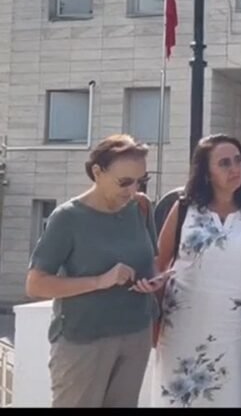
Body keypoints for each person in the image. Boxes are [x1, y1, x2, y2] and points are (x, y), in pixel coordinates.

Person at [25, 134, 168, 407]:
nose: (133, 189)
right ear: (97, 172)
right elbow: (35, 284)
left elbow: (150, 261)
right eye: (124, 182)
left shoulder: (141, 207)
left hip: (136, 333)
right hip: (84, 340)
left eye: (141, 180)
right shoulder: (67, 218)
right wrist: (100, 281)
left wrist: (153, 280)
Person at [153, 134, 241, 407]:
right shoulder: (184, 208)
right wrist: (153, 318)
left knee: (235, 396)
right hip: (183, 325)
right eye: (224, 163)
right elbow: (159, 264)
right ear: (206, 172)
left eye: (239, 160)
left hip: (240, 330)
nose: (235, 168)